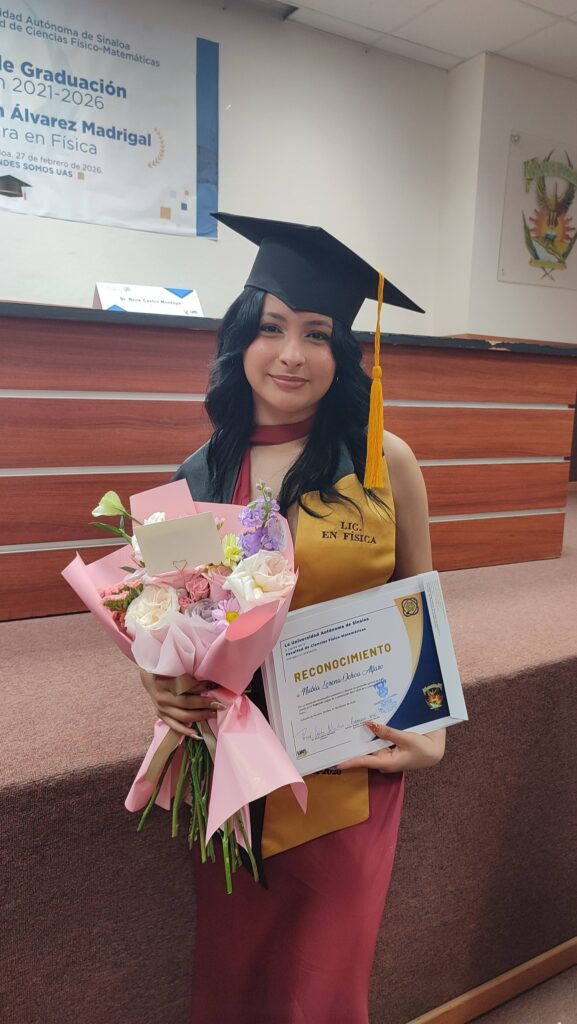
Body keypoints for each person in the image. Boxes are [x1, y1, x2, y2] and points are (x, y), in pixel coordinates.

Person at [140, 213, 446, 1024]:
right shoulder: (200, 472)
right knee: (234, 971)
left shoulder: (381, 461)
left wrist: (431, 723)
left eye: (317, 334)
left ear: (342, 353)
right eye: (271, 327)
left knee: (325, 982)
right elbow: (169, 619)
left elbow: (417, 594)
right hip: (233, 769)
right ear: (241, 338)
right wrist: (156, 682)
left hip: (346, 762)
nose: (290, 354)